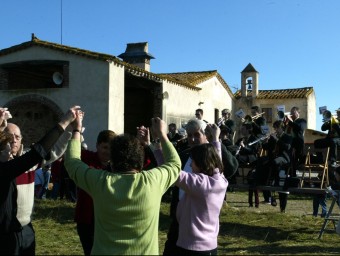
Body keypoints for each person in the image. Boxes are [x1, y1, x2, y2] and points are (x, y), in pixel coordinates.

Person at [64, 112, 181, 255]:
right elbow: (175, 164)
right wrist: (162, 135)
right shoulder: (153, 181)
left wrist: (76, 130)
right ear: (140, 161)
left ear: (111, 162)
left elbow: (72, 162)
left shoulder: (100, 181)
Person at [0, 105, 79, 255]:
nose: (14, 141)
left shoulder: (28, 164)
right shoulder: (6, 167)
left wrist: (69, 130)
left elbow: (53, 151)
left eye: (17, 137)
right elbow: (40, 150)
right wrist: (65, 124)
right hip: (5, 233)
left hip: (26, 228)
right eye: (9, 137)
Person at [175, 142, 228, 255]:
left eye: (192, 161)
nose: (190, 165)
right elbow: (217, 161)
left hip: (192, 247)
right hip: (210, 247)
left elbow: (171, 172)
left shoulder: (200, 184)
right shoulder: (220, 180)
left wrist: (160, 142)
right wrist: (216, 140)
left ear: (201, 162)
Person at [75, 129, 116, 256]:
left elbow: (142, 163)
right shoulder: (87, 158)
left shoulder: (118, 166)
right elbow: (72, 154)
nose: (107, 151)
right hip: (87, 218)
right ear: (97, 145)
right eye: (104, 147)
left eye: (111, 148)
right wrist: (77, 133)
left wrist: (144, 144)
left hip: (109, 220)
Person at [255, 120, 292, 211]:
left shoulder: (287, 137)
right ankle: (263, 184)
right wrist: (264, 141)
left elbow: (287, 147)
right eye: (274, 128)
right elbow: (266, 147)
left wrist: (277, 139)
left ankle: (272, 180)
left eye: (277, 128)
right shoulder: (273, 138)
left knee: (275, 162)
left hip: (284, 159)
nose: (275, 129)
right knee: (261, 161)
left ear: (282, 128)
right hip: (273, 159)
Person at [284, 106, 307, 175]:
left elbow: (299, 128)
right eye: (291, 112)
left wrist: (290, 121)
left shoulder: (302, 120)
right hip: (290, 144)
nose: (291, 114)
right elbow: (286, 132)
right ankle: (291, 174)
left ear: (298, 113)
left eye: (293, 112)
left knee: (296, 160)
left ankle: (294, 176)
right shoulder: (290, 122)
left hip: (298, 144)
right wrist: (285, 122)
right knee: (290, 160)